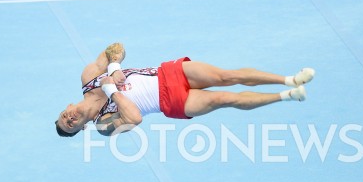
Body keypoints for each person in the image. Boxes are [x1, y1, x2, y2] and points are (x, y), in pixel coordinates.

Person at [55, 43, 315, 137]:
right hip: (172, 102)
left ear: (67, 108)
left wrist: (113, 67)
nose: (69, 120)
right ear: (81, 128)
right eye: (70, 126)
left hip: (168, 72)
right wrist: (113, 92)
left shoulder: (90, 77)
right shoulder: (103, 125)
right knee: (226, 98)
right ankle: (286, 96)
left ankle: (289, 80)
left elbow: (115, 46)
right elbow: (134, 118)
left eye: (64, 118)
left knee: (227, 76)